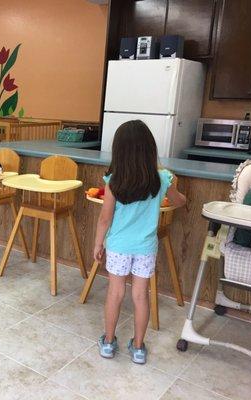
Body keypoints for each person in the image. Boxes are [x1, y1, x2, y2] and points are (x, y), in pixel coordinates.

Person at [94, 120, 186, 364]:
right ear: (149, 149)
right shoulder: (163, 178)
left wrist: (97, 244)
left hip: (118, 246)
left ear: (119, 151)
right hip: (145, 248)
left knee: (114, 293)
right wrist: (174, 194)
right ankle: (137, 348)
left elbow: (105, 218)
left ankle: (108, 343)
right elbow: (179, 202)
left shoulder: (113, 180)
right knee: (140, 296)